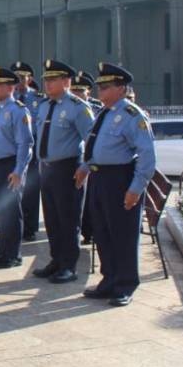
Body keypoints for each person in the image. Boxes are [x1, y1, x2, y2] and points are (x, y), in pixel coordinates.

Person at [76, 63, 156, 307]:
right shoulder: (104, 113)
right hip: (99, 179)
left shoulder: (133, 115)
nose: (100, 90)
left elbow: (147, 157)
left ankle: (125, 284)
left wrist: (135, 188)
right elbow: (95, 147)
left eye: (106, 86)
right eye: (99, 86)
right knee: (102, 232)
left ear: (121, 88)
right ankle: (109, 280)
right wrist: (85, 167)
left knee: (123, 234)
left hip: (120, 179)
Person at [33, 59, 95, 284]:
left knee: (68, 220)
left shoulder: (78, 107)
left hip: (68, 168)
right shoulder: (44, 106)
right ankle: (56, 260)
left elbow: (92, 141)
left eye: (53, 80)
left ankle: (69, 266)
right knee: (51, 218)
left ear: (66, 81)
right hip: (46, 169)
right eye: (46, 80)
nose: (48, 84)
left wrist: (85, 168)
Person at [0, 67, 34, 268]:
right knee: (0, 212)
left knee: (11, 212)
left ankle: (13, 254)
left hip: (9, 166)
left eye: (0, 85)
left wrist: (19, 171)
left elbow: (25, 144)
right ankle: (3, 252)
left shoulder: (18, 111)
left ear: (11, 87)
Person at [12, 61, 43, 242]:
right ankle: (17, 225)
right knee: (15, 189)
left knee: (31, 188)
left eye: (22, 77)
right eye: (16, 78)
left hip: (33, 147)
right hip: (14, 148)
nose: (19, 81)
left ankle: (30, 228)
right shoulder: (10, 99)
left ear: (29, 79)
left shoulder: (38, 98)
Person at [71, 70, 103, 245]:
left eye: (80, 91)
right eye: (73, 91)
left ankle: (88, 231)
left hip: (93, 160)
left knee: (90, 198)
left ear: (88, 92)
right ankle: (82, 229)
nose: (76, 94)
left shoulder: (98, 109)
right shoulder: (67, 107)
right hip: (79, 160)